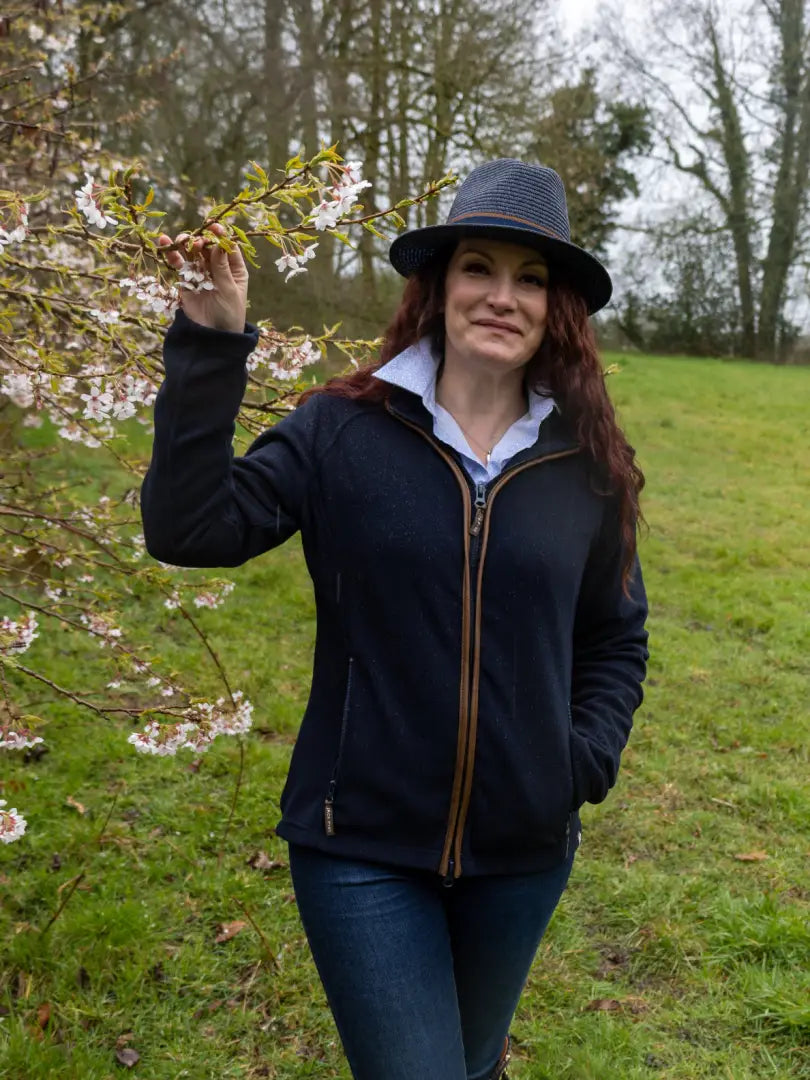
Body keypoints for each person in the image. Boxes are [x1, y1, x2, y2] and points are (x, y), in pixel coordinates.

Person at [142, 158, 649, 1080]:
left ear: (557, 308)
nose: (503, 296)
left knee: (474, 1058)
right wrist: (210, 348)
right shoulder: (342, 428)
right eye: (478, 268)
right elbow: (190, 528)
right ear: (438, 287)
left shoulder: (587, 465)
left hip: (523, 851)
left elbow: (614, 635)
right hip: (361, 843)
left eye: (530, 278)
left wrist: (577, 762)